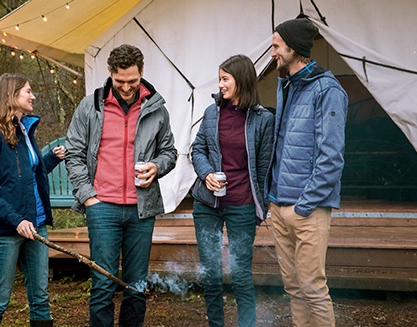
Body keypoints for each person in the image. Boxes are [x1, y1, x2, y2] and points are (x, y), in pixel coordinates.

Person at [65, 44, 177, 326]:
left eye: (133, 81)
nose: (126, 88)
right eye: (120, 81)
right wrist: (88, 195)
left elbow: (169, 152)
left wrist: (157, 166)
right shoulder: (90, 107)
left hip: (142, 209)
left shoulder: (157, 108)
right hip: (102, 207)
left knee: (136, 286)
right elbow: (74, 153)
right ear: (110, 74)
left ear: (142, 73)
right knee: (102, 285)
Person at [267, 18, 348, 327]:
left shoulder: (327, 90)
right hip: (279, 204)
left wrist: (305, 205)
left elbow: (331, 156)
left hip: (307, 209)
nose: (272, 52)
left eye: (276, 46)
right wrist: (272, 199)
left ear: (293, 48)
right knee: (294, 289)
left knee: (313, 288)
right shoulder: (287, 85)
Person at [0, 73, 65, 327]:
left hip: (35, 224)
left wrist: (52, 159)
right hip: (4, 229)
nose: (33, 96)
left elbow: (25, 175)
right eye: (28, 91)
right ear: (11, 96)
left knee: (41, 298)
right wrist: (16, 220)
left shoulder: (23, 132)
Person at [191, 54, 274, 327]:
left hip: (242, 204)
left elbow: (264, 168)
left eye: (225, 79)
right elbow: (198, 149)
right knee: (211, 274)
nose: (220, 85)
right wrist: (206, 175)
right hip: (207, 204)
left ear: (242, 80)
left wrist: (261, 209)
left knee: (240, 275)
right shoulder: (211, 112)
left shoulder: (263, 120)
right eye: (220, 79)